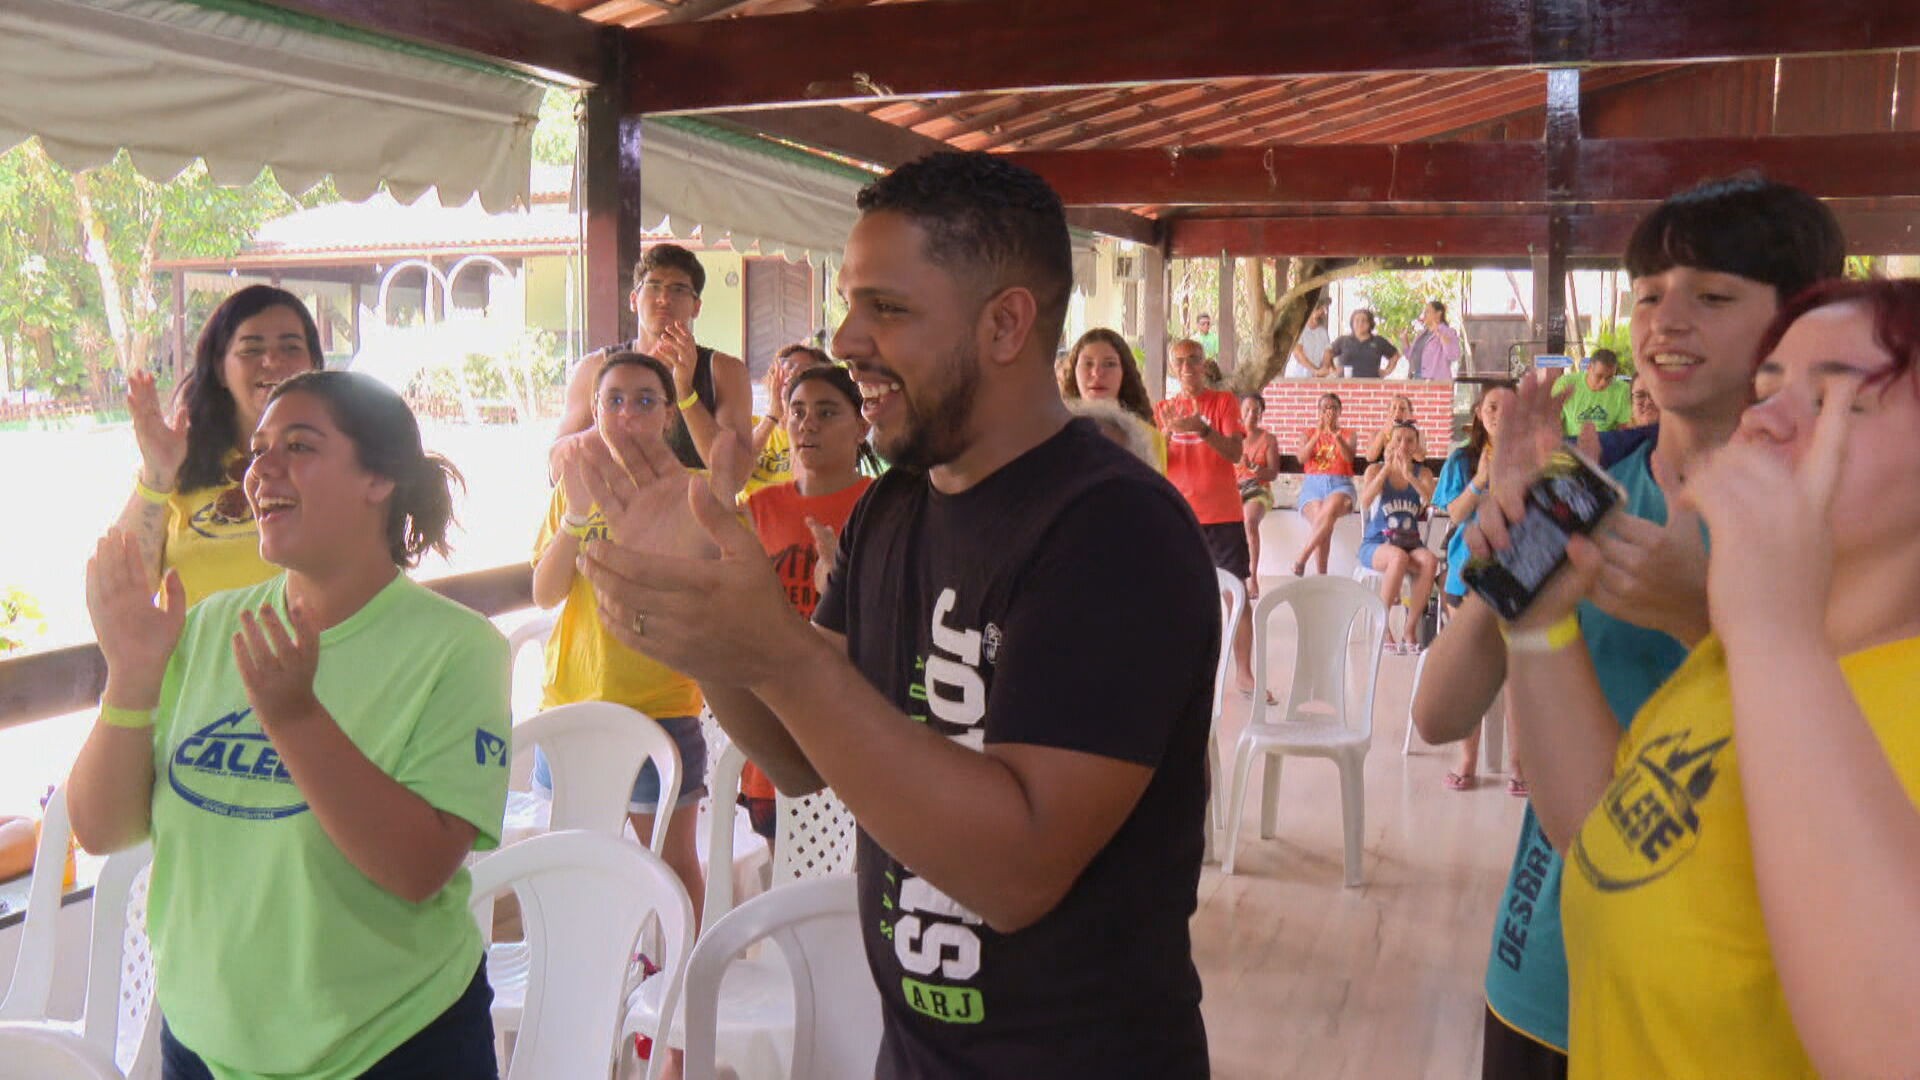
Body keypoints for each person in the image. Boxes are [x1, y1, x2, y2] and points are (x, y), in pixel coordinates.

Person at [572, 151, 1214, 1077]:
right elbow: (797, 756)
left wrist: (783, 659)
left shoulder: (1113, 530)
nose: (848, 337)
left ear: (1005, 324)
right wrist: (704, 621)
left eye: (888, 308)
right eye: (849, 302)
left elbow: (1015, 872)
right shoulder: (894, 507)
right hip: (914, 1053)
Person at [1410, 175, 1845, 1079]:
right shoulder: (1592, 486)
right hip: (1547, 971)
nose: (1665, 322)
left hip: (1720, 1008)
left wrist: (1705, 617)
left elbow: (1844, 781)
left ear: (1800, 319)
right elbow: (1438, 714)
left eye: (1713, 297)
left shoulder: (1842, 526)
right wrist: (1516, 536)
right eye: (1648, 295)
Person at [1479, 278, 1920, 1078]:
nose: (1762, 420)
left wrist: (1771, 634)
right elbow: (1608, 841)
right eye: (1769, 387)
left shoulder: (1777, 645)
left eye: (1838, 404)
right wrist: (1539, 627)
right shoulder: (1747, 649)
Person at [67, 370, 509, 1080]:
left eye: (299, 446)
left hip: (390, 1045)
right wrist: (131, 676)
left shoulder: (458, 649)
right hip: (205, 1046)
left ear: (379, 480)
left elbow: (419, 869)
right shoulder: (215, 624)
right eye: (259, 450)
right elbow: (102, 828)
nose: (261, 469)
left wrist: (297, 719)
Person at [536, 352, 710, 923]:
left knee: (670, 861)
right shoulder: (575, 483)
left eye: (643, 401)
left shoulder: (693, 493)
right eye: (613, 400)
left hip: (659, 707)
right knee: (573, 863)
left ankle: (674, 979)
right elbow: (544, 591)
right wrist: (576, 518)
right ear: (594, 410)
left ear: (667, 417)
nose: (627, 413)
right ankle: (594, 971)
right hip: (572, 708)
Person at [116, 285, 324, 606]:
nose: (271, 360)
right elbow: (125, 589)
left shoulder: (341, 459)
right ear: (220, 370)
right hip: (200, 657)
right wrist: (158, 473)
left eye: (291, 347)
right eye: (251, 350)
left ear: (313, 364)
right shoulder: (181, 464)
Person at [739, 365, 876, 838]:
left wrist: (838, 595)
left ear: (862, 427)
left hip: (860, 727)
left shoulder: (886, 506)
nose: (807, 424)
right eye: (797, 412)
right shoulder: (759, 509)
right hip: (778, 723)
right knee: (788, 892)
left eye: (826, 412)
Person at [556, 244, 751, 471]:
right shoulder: (597, 368)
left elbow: (736, 475)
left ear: (696, 307)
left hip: (693, 505)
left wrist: (685, 392)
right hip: (614, 505)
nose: (664, 298)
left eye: (678, 289)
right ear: (633, 299)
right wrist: (628, 392)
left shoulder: (723, 372)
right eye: (654, 286)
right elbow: (558, 469)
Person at [1426, 385, 1518, 792]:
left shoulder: (1534, 456)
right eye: (1492, 407)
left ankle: (1520, 766)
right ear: (1479, 412)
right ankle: (1467, 761)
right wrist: (1482, 478)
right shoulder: (1462, 459)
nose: (1499, 414)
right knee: (1474, 670)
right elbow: (1457, 513)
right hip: (1468, 576)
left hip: (1520, 575)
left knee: (1518, 676)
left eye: (1507, 408)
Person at [1157, 338, 1259, 698]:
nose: (1187, 367)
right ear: (1172, 367)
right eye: (1180, 361)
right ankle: (1174, 673)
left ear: (1205, 364)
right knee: (1174, 597)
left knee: (1237, 595)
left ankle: (1245, 673)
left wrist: (1200, 429)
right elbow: (1155, 464)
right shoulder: (1163, 409)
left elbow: (1234, 452)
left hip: (1222, 514)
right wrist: (1168, 434)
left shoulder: (1223, 403)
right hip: (1178, 517)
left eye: (1194, 360)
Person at [1356, 423, 1438, 655]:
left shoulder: (1423, 473)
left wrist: (1408, 476)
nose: (1403, 444)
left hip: (1411, 542)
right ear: (1389, 442)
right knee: (1398, 558)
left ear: (1416, 445)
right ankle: (1383, 627)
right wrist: (1386, 470)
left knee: (1430, 561)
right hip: (1376, 543)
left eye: (1410, 440)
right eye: (1398, 439)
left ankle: (1409, 630)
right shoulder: (1375, 470)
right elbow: (1364, 500)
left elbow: (1429, 500)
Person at [1059, 326, 1165, 469]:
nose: (1097, 373)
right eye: (1088, 363)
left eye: (1110, 364)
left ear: (1124, 373)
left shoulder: (1151, 438)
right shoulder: (1053, 432)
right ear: (1073, 371)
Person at [744, 342, 833, 495]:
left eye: (804, 370)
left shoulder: (822, 431)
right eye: (788, 366)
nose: (792, 374)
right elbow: (734, 473)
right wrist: (772, 416)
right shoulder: (750, 424)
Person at [1290, 392, 1357, 576]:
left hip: (1340, 484)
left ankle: (1302, 559)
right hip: (1313, 485)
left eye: (1333, 408)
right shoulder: (1309, 433)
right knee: (1323, 517)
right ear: (1319, 412)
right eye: (1325, 408)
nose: (1329, 411)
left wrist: (1337, 437)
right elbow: (1302, 458)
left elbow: (1348, 457)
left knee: (1329, 509)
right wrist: (1318, 435)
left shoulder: (1348, 434)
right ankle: (1322, 576)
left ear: (1340, 411)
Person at [1235, 394, 1280, 598]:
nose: (1251, 414)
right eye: (1247, 409)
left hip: (1258, 488)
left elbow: (1273, 473)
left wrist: (1253, 467)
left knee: (1249, 521)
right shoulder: (1232, 437)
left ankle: (1252, 577)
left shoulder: (1268, 439)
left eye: (1256, 410)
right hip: (1233, 488)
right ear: (1240, 411)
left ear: (1262, 414)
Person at [1555, 348, 1632, 435]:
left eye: (1609, 378)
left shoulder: (1622, 390)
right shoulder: (1565, 384)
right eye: (1599, 376)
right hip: (1572, 443)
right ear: (1589, 368)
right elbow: (1553, 421)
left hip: (1606, 443)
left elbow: (1623, 427)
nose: (1604, 383)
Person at [1327, 308, 1400, 379]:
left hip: (1371, 384)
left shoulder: (1378, 341)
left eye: (1364, 321)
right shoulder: (1343, 340)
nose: (1360, 323)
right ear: (1352, 323)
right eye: (1357, 320)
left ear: (1370, 323)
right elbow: (1328, 353)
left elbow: (1395, 355)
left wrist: (1386, 371)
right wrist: (1333, 370)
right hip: (1346, 385)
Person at [1403, 299, 1463, 380]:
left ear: (1438, 314)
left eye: (1427, 312)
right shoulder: (1421, 334)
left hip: (1434, 380)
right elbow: (1410, 357)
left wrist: (1439, 334)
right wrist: (1404, 339)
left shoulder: (1448, 332)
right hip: (1415, 378)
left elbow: (1454, 355)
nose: (1424, 315)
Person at [1364, 393, 1424, 465]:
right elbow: (1370, 457)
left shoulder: (1418, 434)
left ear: (1410, 414)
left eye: (1402, 409)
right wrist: (1383, 433)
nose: (1397, 412)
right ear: (1388, 412)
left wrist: (1404, 435)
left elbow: (1420, 457)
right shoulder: (1376, 434)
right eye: (1394, 408)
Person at [1287, 300, 1334, 379]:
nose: (1324, 314)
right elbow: (1298, 353)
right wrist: (1315, 370)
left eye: (1325, 311)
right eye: (1321, 310)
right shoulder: (1299, 329)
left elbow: (1327, 353)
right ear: (1311, 311)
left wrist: (1324, 369)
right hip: (1296, 377)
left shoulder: (1323, 332)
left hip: (1314, 379)